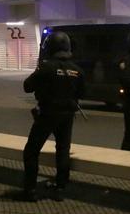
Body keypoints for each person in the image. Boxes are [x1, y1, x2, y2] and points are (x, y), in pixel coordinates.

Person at [21, 31, 85, 202]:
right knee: (63, 151)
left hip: (47, 114)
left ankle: (30, 190)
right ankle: (60, 188)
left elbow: (27, 86)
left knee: (31, 151)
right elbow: (83, 92)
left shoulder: (46, 67)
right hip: (68, 115)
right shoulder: (77, 70)